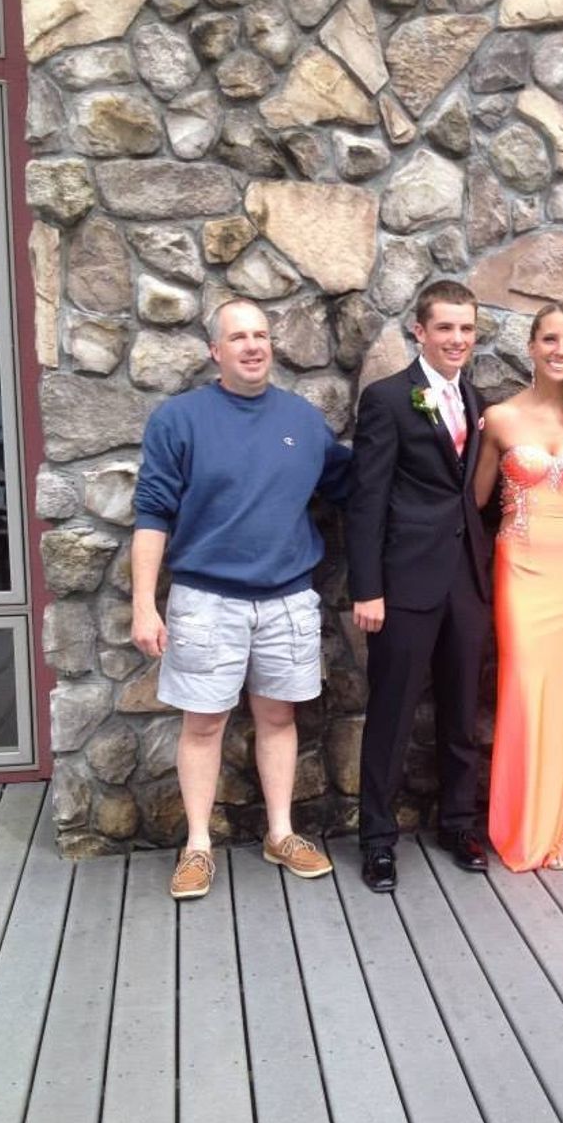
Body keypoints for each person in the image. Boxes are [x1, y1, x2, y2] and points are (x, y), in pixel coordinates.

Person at [131, 298, 351, 899]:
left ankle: (281, 833)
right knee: (203, 725)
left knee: (279, 718)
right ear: (215, 351)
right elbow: (152, 513)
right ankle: (198, 846)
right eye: (238, 337)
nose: (253, 346)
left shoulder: (303, 421)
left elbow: (353, 485)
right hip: (207, 601)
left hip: (287, 600)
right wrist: (144, 605)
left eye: (261, 335)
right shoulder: (180, 420)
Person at [346, 280, 490, 892]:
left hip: (466, 581)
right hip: (404, 582)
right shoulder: (388, 399)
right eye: (446, 328)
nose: (457, 339)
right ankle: (378, 840)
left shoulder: (477, 400)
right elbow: (367, 499)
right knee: (393, 713)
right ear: (420, 331)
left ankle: (458, 823)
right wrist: (367, 588)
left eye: (466, 328)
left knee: (462, 712)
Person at [474, 302, 563, 872]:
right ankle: (533, 827)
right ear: (531, 346)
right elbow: (474, 501)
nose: (561, 350)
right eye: (551, 339)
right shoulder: (500, 418)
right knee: (528, 690)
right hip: (521, 570)